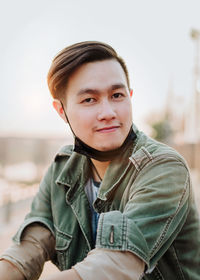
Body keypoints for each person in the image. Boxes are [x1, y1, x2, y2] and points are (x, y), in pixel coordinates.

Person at [0, 41, 200, 280]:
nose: (108, 112)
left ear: (130, 97)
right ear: (61, 110)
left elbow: (112, 267)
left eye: (117, 95)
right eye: (89, 100)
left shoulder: (164, 168)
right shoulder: (61, 169)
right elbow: (33, 242)